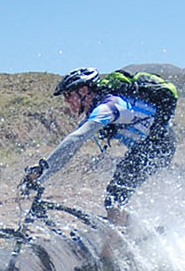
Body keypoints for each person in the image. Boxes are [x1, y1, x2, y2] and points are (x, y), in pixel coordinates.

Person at [23, 67, 176, 227]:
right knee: (115, 198)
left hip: (160, 146)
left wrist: (42, 168)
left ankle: (110, 251)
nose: (67, 102)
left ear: (83, 90)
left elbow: (76, 138)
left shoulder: (109, 106)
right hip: (147, 147)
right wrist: (43, 176)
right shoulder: (97, 110)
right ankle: (140, 232)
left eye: (69, 95)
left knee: (114, 197)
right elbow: (70, 150)